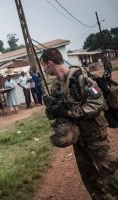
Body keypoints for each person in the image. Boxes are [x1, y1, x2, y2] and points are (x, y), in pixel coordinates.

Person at [41, 48, 118, 200]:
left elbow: (98, 101)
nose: (44, 69)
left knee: (110, 172)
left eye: (44, 65)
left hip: (95, 134)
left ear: (50, 63)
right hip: (78, 138)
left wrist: (71, 112)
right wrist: (52, 109)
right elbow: (58, 115)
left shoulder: (81, 77)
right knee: (89, 177)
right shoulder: (56, 86)